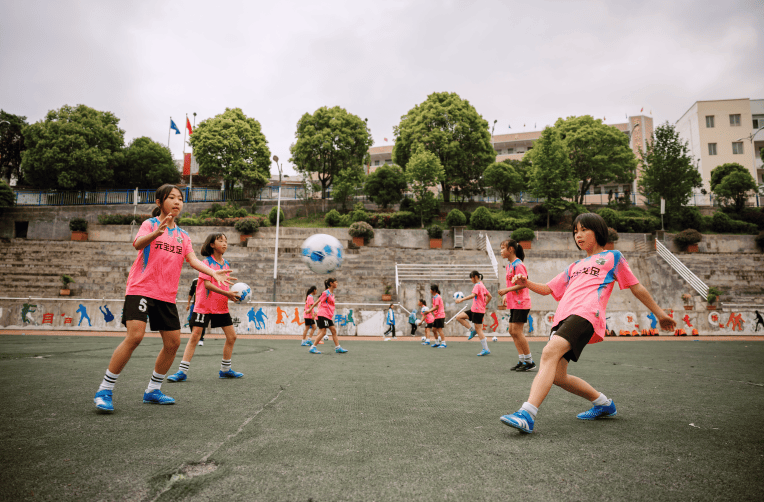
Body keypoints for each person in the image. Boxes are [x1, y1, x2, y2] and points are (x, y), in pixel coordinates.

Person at [500, 213, 676, 433]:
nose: (579, 235)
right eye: (575, 232)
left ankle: (527, 414)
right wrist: (527, 283)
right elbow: (548, 289)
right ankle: (603, 404)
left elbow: (636, 286)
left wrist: (660, 314)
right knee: (558, 376)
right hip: (564, 317)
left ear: (598, 231)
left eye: (584, 230)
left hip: (586, 315)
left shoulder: (613, 257)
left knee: (548, 352)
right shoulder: (575, 265)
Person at [93, 185, 233, 413]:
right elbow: (137, 244)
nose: (177, 202)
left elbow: (192, 260)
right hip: (141, 289)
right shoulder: (150, 224)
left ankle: (153, 390)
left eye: (180, 199)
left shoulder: (183, 235)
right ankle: (104, 390)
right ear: (160, 202)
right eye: (172, 198)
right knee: (135, 336)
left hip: (165, 296)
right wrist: (155, 233)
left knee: (173, 343)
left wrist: (212, 272)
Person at [167, 233, 244, 383]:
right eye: (220, 241)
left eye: (226, 241)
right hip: (204, 306)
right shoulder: (206, 263)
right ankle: (182, 371)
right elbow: (207, 284)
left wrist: (232, 295)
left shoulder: (226, 264)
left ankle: (225, 369)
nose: (224, 243)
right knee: (195, 336)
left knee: (232, 337)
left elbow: (224, 283)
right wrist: (226, 293)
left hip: (221, 306)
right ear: (212, 244)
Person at [497, 239, 535, 371]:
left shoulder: (518, 265)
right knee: (512, 331)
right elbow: (512, 283)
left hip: (521, 303)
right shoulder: (509, 265)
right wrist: (507, 296)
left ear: (511, 249)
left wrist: (506, 291)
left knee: (517, 331)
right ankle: (522, 359)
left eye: (503, 248)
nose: (501, 251)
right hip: (514, 303)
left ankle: (529, 361)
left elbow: (524, 283)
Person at [306, 277, 348, 354]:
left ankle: (338, 348)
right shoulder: (326, 293)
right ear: (331, 283)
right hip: (323, 314)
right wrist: (310, 310)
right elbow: (317, 302)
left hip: (328, 315)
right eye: (335, 282)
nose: (337, 283)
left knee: (333, 331)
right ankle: (313, 347)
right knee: (323, 332)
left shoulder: (332, 294)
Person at [455, 271, 493, 356]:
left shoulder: (477, 285)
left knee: (479, 330)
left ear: (475, 276)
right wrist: (484, 304)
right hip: (474, 310)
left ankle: (486, 349)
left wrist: (461, 299)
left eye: (471, 278)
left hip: (478, 311)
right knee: (459, 317)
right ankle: (472, 331)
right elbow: (490, 296)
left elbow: (473, 295)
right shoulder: (482, 285)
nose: (471, 280)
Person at [186, 278, 206, 346]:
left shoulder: (208, 281)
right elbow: (191, 293)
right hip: (195, 305)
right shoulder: (195, 281)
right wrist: (188, 304)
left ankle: (201, 339)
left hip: (204, 305)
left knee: (202, 322)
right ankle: (194, 336)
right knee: (191, 321)